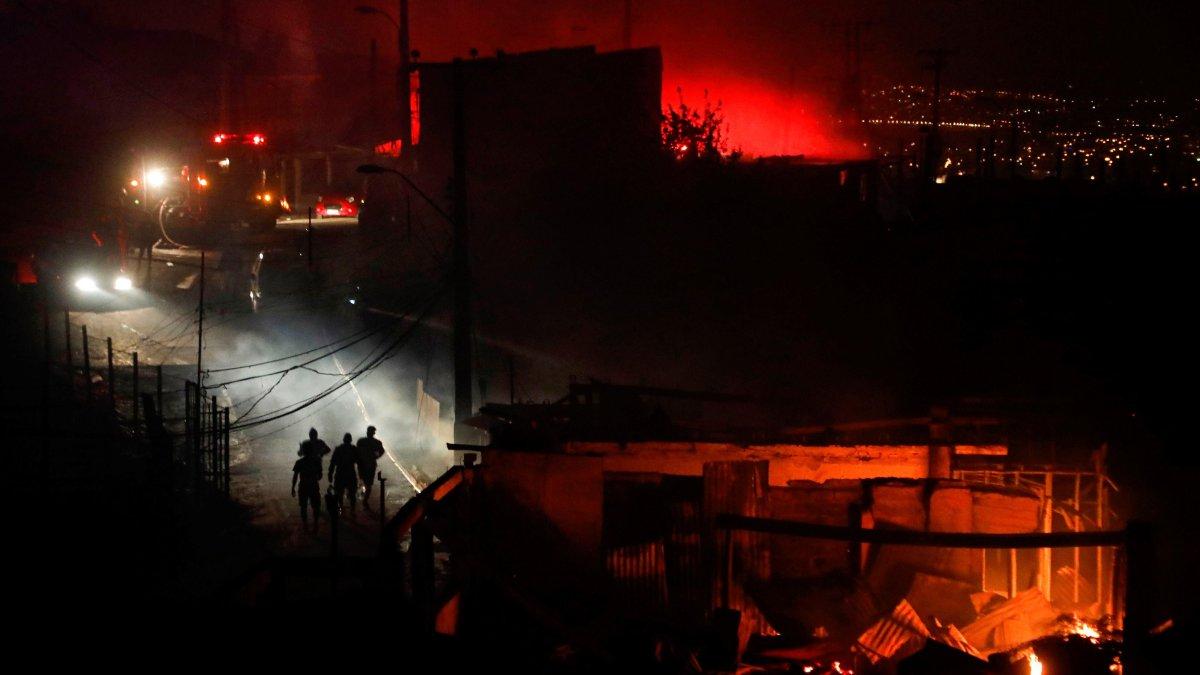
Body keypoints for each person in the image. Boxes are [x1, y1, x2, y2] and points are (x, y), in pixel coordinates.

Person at [329, 432, 358, 517]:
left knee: (339, 493)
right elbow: (359, 461)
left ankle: (341, 509)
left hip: (340, 473)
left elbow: (333, 462)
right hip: (350, 473)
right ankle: (352, 510)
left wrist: (330, 474)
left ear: (344, 440)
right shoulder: (353, 449)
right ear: (350, 440)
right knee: (352, 494)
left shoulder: (339, 449)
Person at [356, 425, 386, 508]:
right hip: (370, 465)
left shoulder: (361, 441)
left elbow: (357, 452)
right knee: (368, 484)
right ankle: (364, 500)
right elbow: (382, 451)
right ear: (373, 433)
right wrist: (376, 457)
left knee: (364, 482)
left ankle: (362, 498)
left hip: (363, 465)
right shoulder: (376, 442)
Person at [291, 453, 322, 532]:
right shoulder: (316, 461)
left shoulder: (299, 462)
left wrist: (293, 487)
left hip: (303, 486)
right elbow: (320, 475)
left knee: (303, 506)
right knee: (316, 506)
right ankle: (315, 523)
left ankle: (305, 524)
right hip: (313, 486)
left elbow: (295, 476)